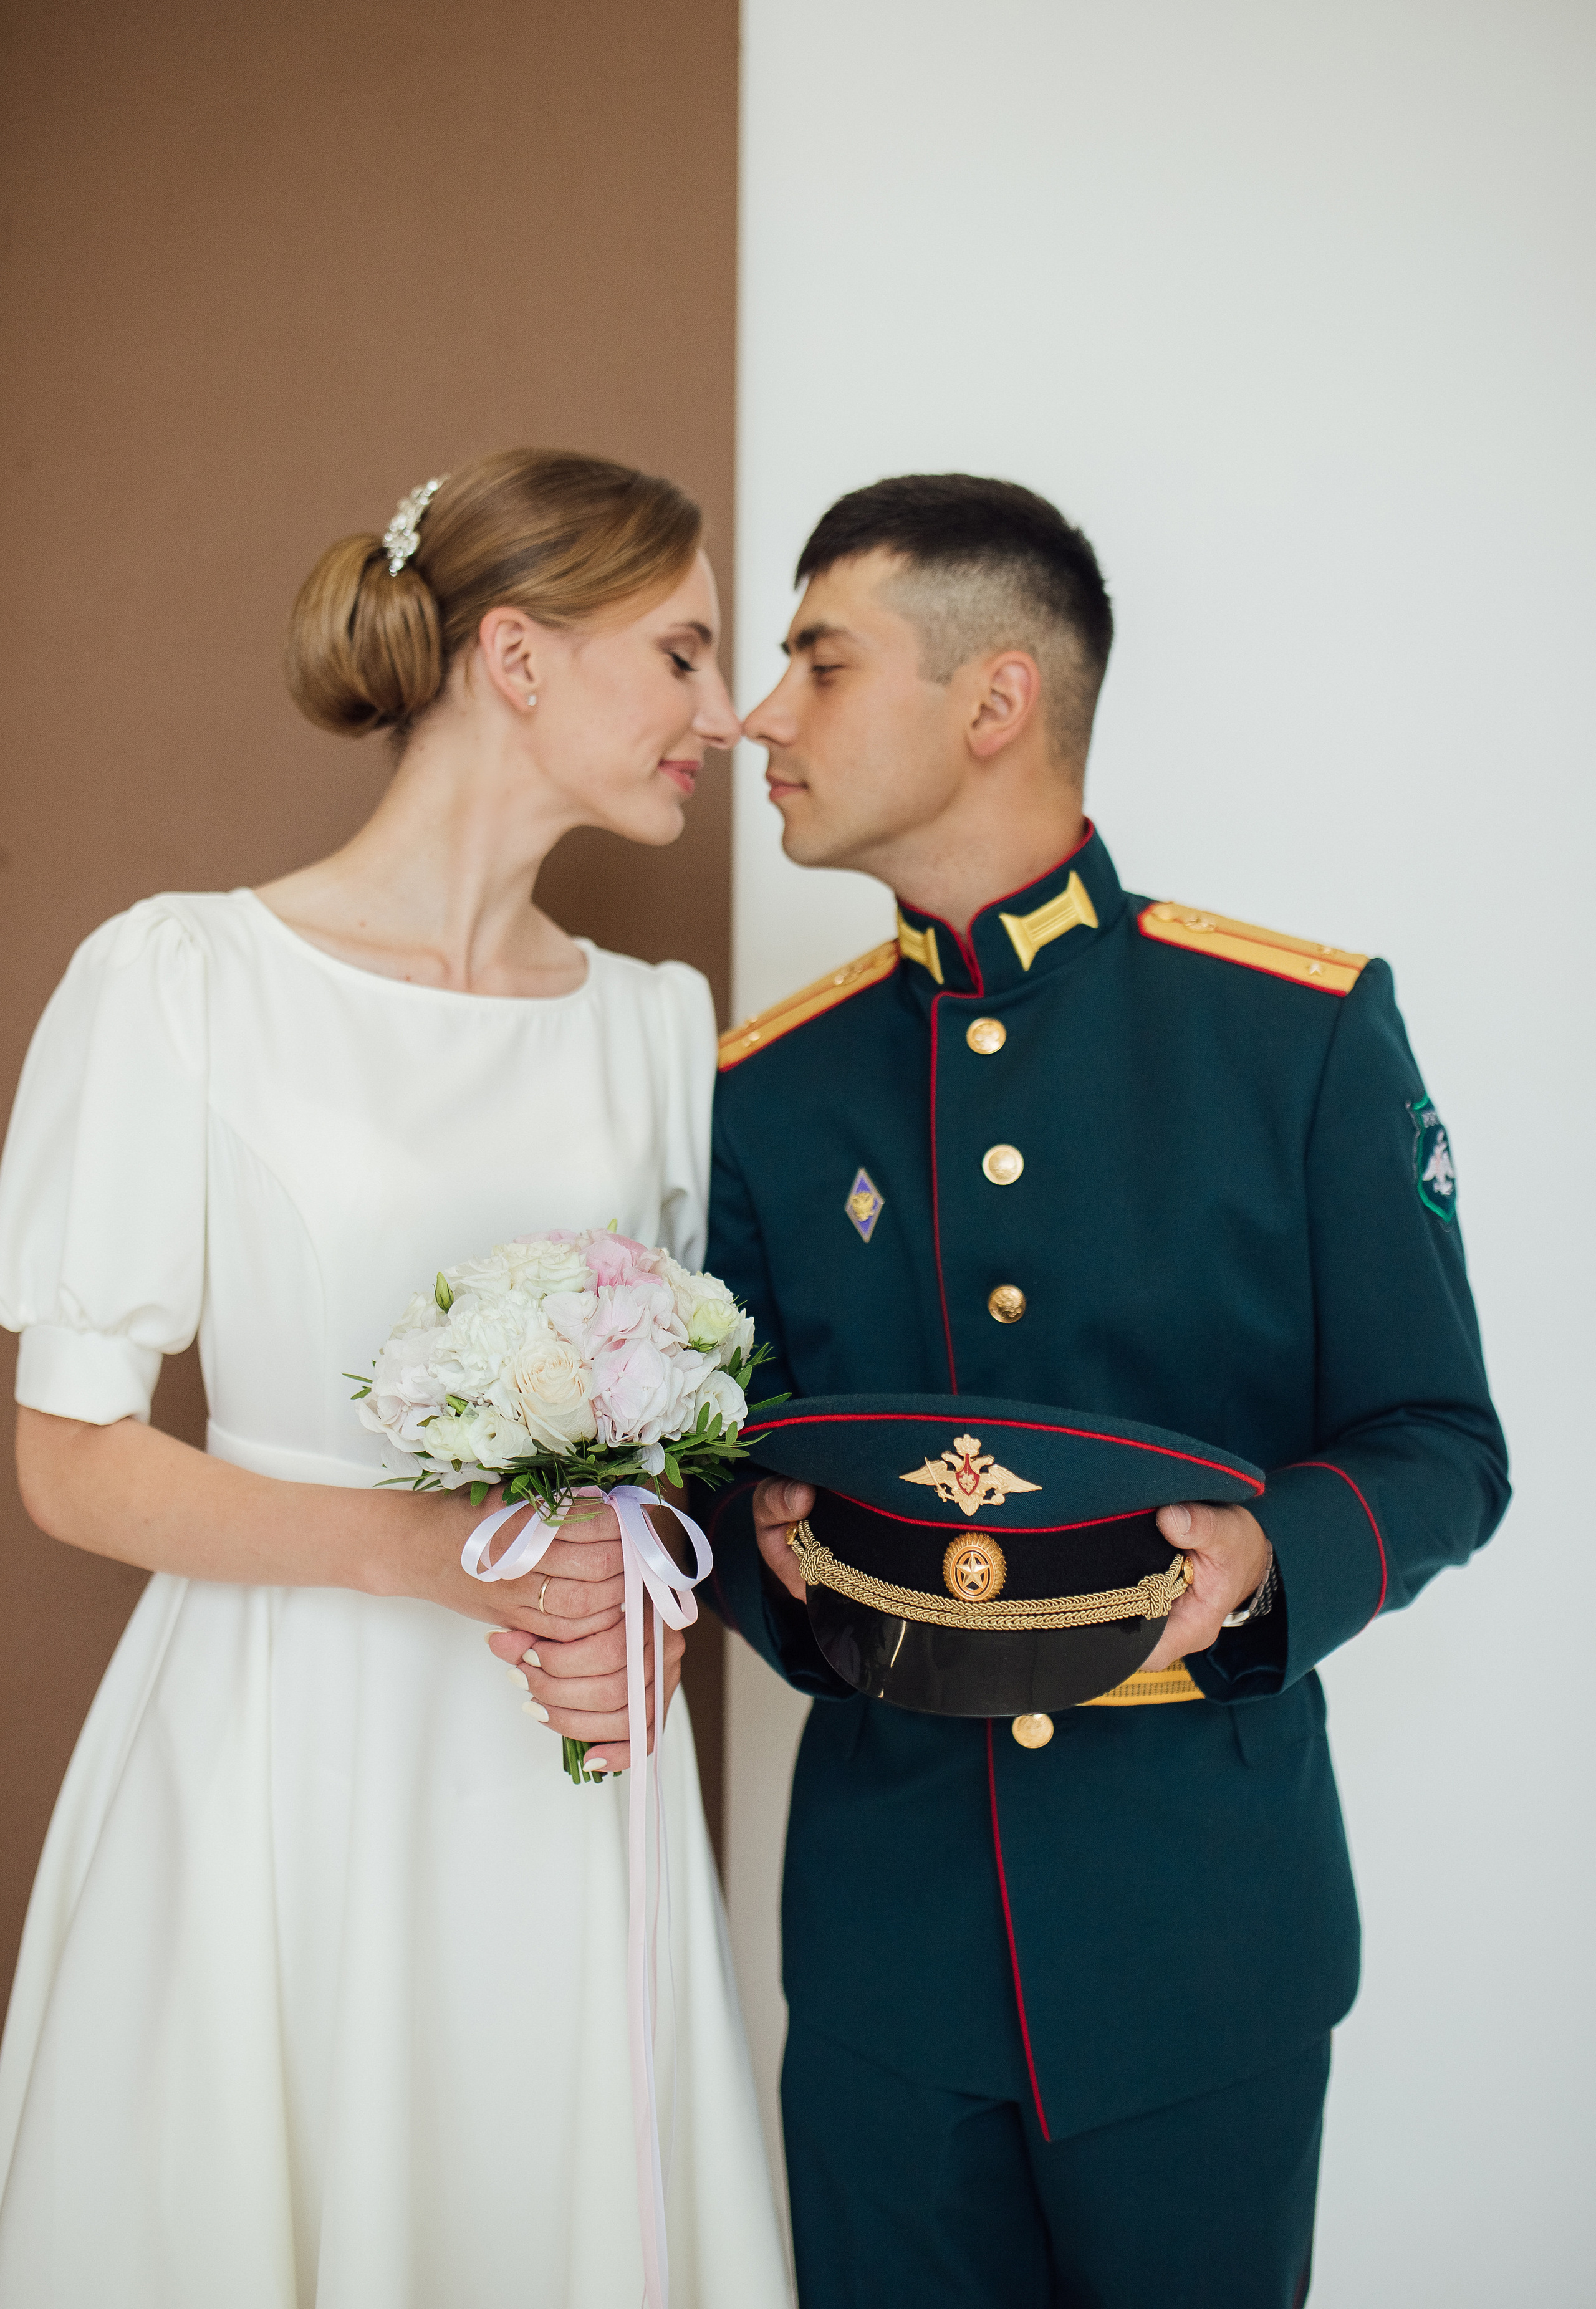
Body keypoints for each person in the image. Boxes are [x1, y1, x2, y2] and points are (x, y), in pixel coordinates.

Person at [703, 473, 1509, 2308]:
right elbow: (724, 1462)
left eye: (821, 663)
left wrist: (1274, 1556)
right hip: (888, 1962)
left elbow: (1444, 1443)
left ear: (996, 699)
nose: (762, 715)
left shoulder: (1296, 1033)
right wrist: (767, 1551)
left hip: (1200, 1949)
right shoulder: (771, 1086)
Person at [0, 449, 789, 2307]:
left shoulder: (656, 1031)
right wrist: (434, 1556)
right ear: (516, 656)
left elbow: (687, 1445)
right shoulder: (185, 979)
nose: (724, 715)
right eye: (681, 655)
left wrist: (635, 1600)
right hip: (282, 1740)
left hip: (559, 1767)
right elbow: (72, 1462)